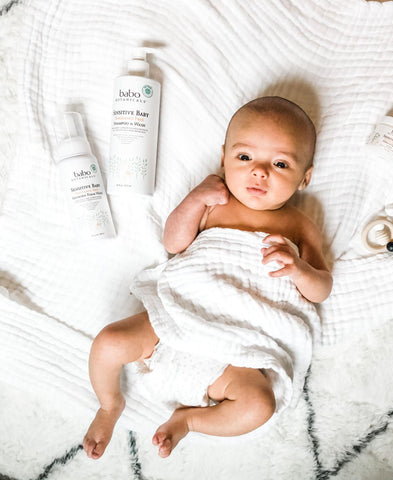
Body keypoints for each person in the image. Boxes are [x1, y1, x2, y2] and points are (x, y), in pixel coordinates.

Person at [83, 96, 333, 460]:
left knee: (259, 405)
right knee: (108, 343)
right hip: (178, 317)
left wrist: (299, 269)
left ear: (304, 178)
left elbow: (321, 289)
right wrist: (194, 201)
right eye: (245, 157)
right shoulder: (213, 201)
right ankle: (109, 405)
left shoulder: (299, 224)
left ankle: (189, 422)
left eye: (280, 164)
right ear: (223, 157)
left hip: (238, 350)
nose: (259, 172)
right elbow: (174, 243)